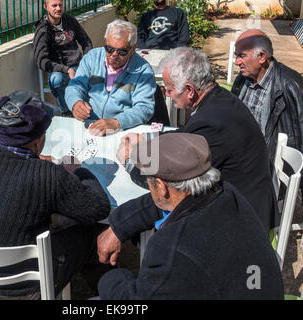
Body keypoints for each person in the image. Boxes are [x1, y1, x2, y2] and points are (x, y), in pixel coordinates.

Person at [0, 91, 111, 299]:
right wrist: (81, 170)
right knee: (93, 230)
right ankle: (109, 290)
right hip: (22, 292)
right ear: (38, 141)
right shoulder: (47, 175)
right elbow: (98, 208)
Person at [97, 133, 284, 299]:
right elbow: (165, 202)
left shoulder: (172, 249)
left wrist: (111, 277)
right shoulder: (225, 191)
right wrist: (118, 226)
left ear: (161, 186)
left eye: (148, 178)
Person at [117, 47, 278, 232]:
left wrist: (130, 162)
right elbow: (186, 135)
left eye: (169, 90)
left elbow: (172, 181)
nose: (167, 95)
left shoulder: (210, 122)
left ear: (189, 90)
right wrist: (148, 138)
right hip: (247, 196)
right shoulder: (217, 98)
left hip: (240, 219)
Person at [65, 19, 157, 136]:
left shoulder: (143, 71)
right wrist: (75, 102)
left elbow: (144, 108)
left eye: (122, 51)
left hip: (121, 130)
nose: (114, 55)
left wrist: (117, 122)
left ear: (133, 48)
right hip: (89, 126)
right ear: (105, 41)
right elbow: (75, 86)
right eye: (109, 49)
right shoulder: (92, 58)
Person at [232, 29, 303, 164]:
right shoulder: (243, 78)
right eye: (236, 56)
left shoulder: (292, 87)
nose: (236, 62)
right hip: (239, 154)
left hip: (266, 167)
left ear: (262, 57)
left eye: (242, 56)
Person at [33, 0, 93, 115]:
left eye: (60, 5)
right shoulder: (43, 30)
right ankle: (67, 111)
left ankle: (88, 109)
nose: (58, 8)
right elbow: (42, 61)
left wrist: (88, 61)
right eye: (54, 6)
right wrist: (66, 70)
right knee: (57, 80)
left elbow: (86, 41)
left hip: (79, 65)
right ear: (46, 7)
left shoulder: (70, 21)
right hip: (60, 71)